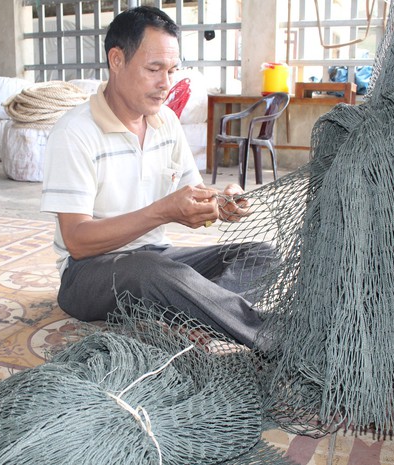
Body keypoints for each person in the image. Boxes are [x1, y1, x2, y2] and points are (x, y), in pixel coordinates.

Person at [41, 6, 271, 349]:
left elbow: (192, 193)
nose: (166, 84)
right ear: (116, 60)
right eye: (153, 69)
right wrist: (163, 211)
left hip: (158, 259)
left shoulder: (166, 122)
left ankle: (184, 317)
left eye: (172, 70)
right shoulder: (75, 132)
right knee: (152, 270)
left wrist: (221, 201)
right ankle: (275, 336)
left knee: (261, 255)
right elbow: (77, 240)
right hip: (87, 274)